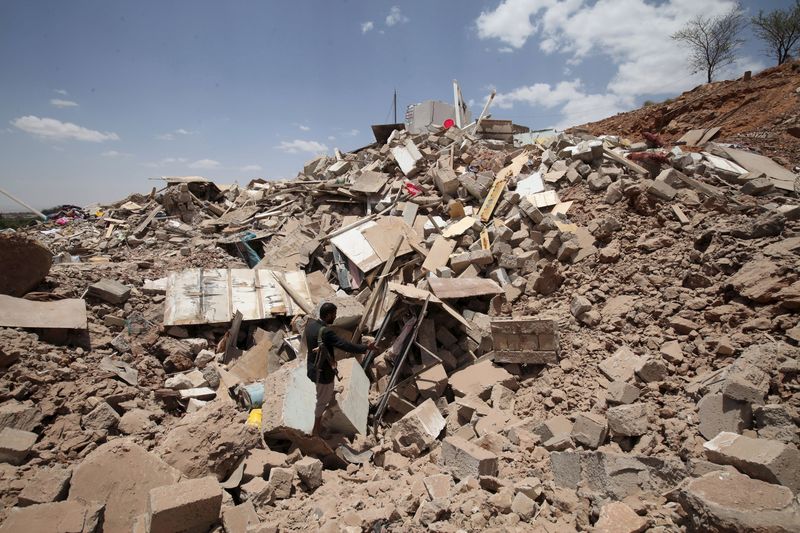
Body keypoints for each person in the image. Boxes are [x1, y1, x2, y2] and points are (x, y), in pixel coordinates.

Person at [305, 302, 376, 437]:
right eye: (334, 314)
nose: (335, 317)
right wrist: (366, 348)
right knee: (321, 402)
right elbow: (345, 345)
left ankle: (328, 393)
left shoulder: (310, 326)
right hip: (323, 373)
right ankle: (316, 431)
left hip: (312, 368)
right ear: (327, 315)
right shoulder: (325, 332)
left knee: (322, 392)